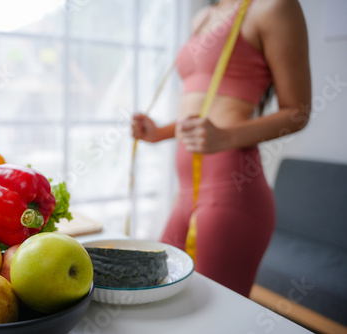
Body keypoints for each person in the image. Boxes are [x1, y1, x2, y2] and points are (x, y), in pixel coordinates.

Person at [131, 0, 311, 297]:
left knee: (209, 311)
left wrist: (224, 138)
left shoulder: (275, 7)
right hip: (186, 193)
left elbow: (298, 112)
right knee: (156, 293)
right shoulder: (203, 16)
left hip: (233, 191)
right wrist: (160, 132)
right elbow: (204, 107)